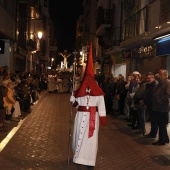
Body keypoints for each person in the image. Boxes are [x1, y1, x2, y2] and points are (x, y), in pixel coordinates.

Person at [70, 44, 106, 170]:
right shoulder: (79, 92)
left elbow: (101, 105)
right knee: (78, 135)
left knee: (89, 139)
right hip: (80, 116)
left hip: (92, 117)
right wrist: (73, 99)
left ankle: (89, 160)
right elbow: (75, 105)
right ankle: (78, 156)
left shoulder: (98, 93)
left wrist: (102, 117)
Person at [152, 69, 170, 145]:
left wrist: (160, 100)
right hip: (158, 107)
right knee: (161, 124)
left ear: (165, 75)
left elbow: (168, 94)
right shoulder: (160, 83)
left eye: (161, 74)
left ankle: (161, 140)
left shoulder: (167, 82)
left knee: (162, 124)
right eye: (159, 74)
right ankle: (165, 138)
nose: (159, 76)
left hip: (163, 107)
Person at [143, 72, 158, 138]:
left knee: (154, 121)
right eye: (147, 78)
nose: (148, 79)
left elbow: (152, 96)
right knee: (152, 120)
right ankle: (152, 133)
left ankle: (153, 134)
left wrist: (147, 104)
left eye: (149, 78)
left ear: (153, 77)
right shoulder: (150, 85)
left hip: (153, 106)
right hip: (150, 105)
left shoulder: (154, 85)